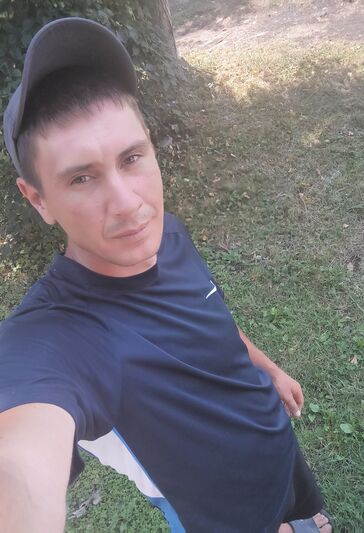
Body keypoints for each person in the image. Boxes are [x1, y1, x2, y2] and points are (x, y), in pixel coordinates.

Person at [0, 17, 333, 533]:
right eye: (82, 177)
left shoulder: (166, 233)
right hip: (219, 512)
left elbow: (209, 313)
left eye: (131, 158)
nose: (128, 203)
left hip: (274, 443)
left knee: (302, 514)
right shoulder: (58, 335)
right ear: (38, 198)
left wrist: (267, 369)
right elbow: (20, 466)